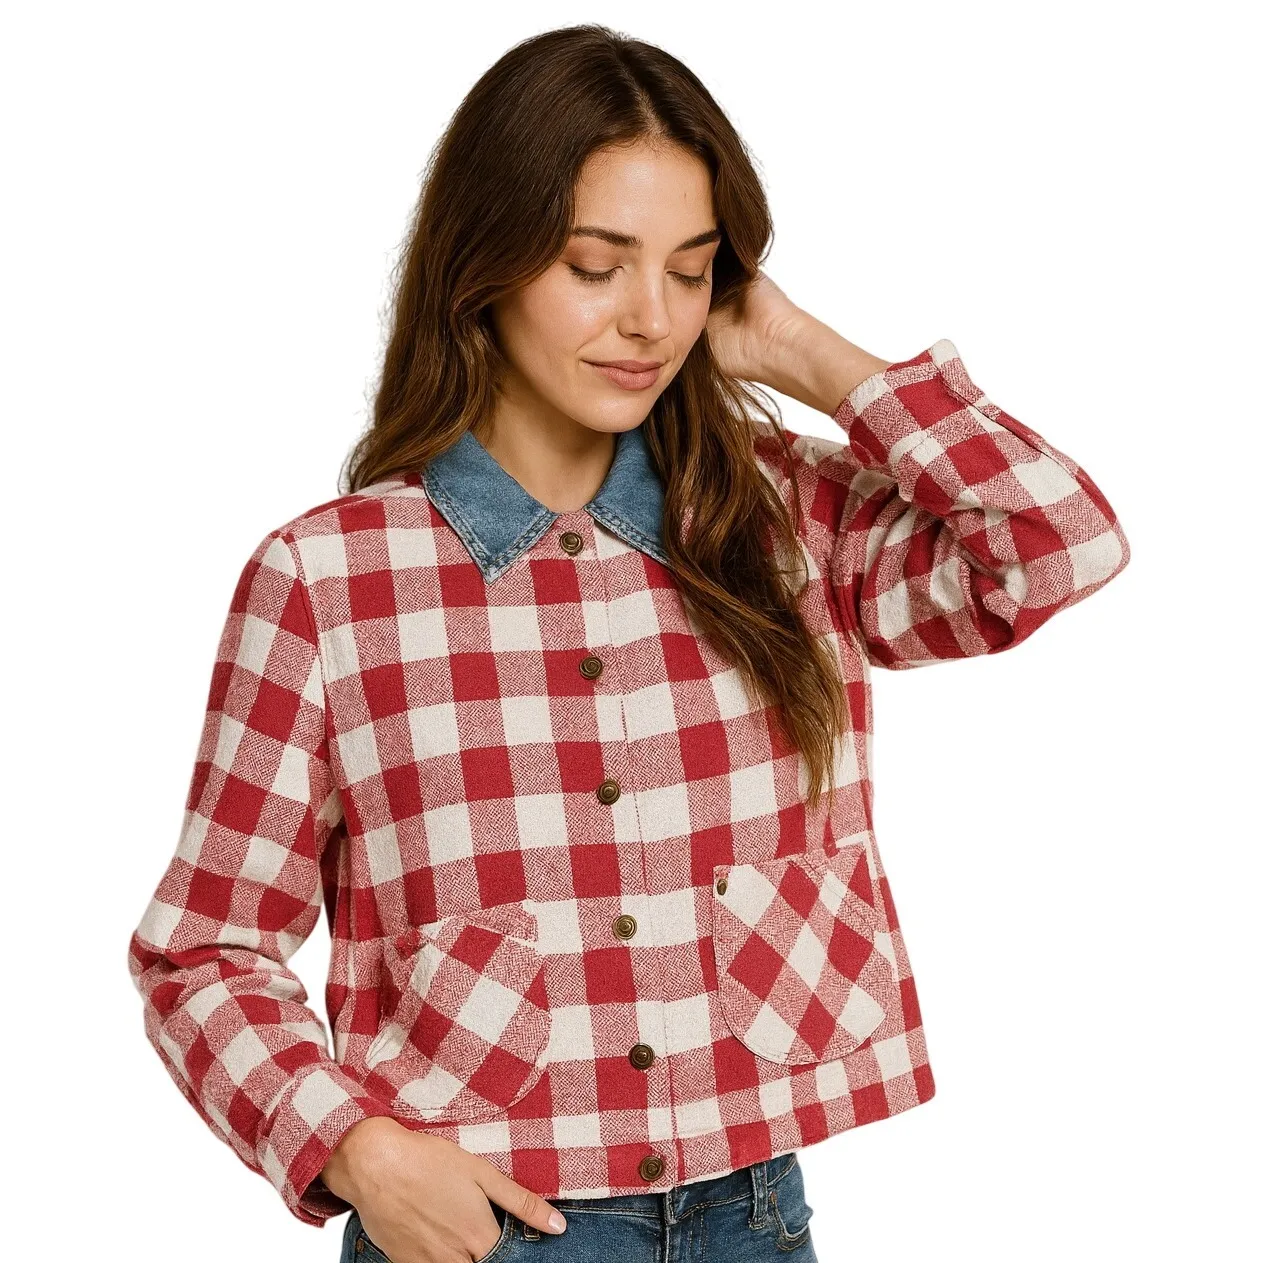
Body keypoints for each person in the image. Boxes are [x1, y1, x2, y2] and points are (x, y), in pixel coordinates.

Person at [125, 23, 1130, 1263]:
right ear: (483, 262)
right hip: (484, 1229)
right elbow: (204, 950)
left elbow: (1057, 544)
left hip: (753, 1218)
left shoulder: (782, 521)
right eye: (596, 266)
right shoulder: (327, 583)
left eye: (691, 271)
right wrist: (356, 1149)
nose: (651, 320)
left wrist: (809, 356)